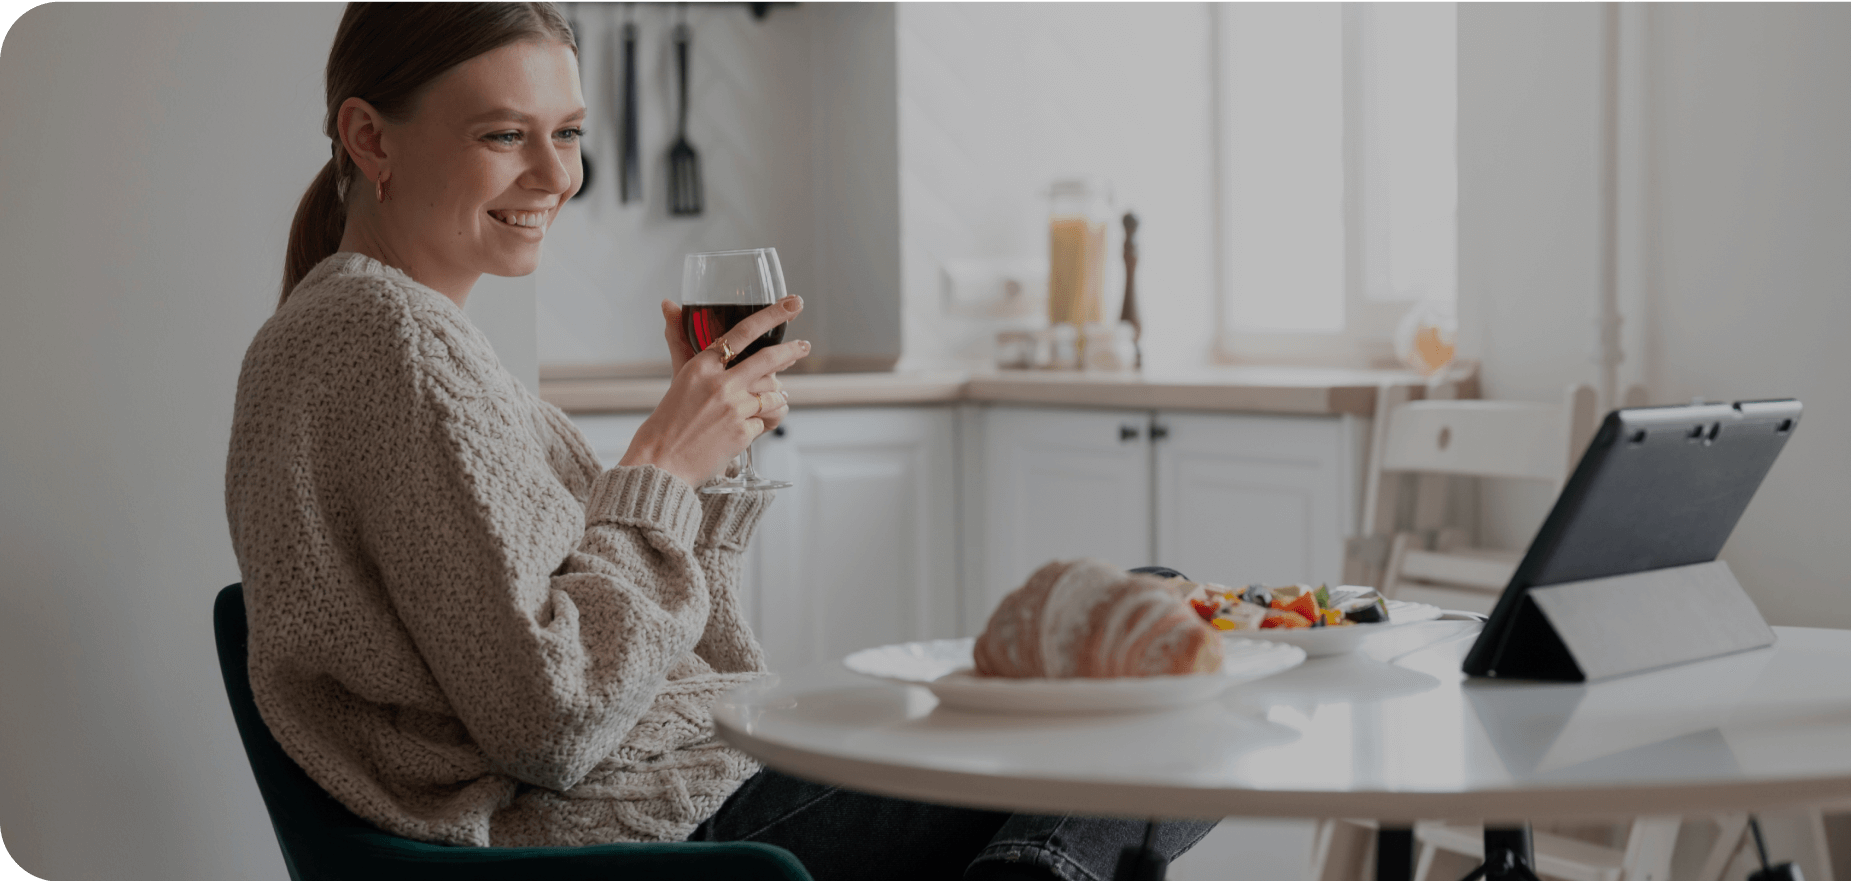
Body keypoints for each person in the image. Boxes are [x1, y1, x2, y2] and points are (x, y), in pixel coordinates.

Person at [223, 4, 1210, 880]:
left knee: (1157, 612)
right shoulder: (388, 341)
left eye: (568, 132)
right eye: (504, 134)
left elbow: (702, 663)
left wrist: (700, 474)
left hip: (695, 789)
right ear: (370, 137)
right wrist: (660, 468)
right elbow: (552, 721)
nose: (557, 175)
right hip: (643, 835)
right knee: (1166, 668)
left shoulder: (395, 339)